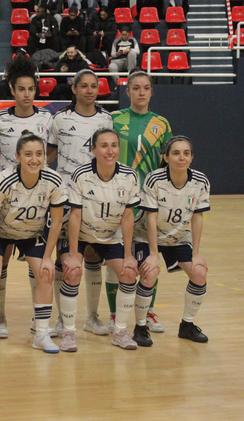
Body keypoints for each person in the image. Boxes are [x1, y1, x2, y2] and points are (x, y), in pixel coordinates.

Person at [0, 131, 66, 355]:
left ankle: (41, 334)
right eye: (28, 154)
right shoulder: (4, 180)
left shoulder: (53, 180)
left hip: (31, 235)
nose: (34, 159)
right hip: (0, 233)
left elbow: (56, 222)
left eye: (39, 154)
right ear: (17, 157)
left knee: (46, 273)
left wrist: (48, 257)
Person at [0, 56, 54, 337]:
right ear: (12, 90)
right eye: (21, 89)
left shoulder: (47, 119)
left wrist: (37, 166)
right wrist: (11, 167)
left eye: (31, 89)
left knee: (35, 258)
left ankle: (38, 322)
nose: (26, 94)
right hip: (6, 199)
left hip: (37, 199)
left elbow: (52, 150)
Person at [47, 69, 113, 340]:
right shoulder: (60, 118)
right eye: (83, 86)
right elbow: (49, 154)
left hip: (96, 198)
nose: (89, 90)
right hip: (66, 197)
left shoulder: (106, 118)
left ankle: (92, 316)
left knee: (93, 255)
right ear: (73, 89)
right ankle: (63, 319)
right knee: (64, 257)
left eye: (93, 86)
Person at [62, 129, 140, 352]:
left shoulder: (129, 176)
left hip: (110, 236)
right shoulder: (81, 175)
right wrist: (74, 253)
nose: (110, 150)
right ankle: (69, 332)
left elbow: (127, 216)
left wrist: (127, 254)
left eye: (114, 145)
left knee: (128, 272)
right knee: (73, 271)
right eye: (104, 146)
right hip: (83, 235)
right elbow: (75, 215)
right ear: (93, 149)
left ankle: (120, 331)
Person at [107, 69, 173, 332]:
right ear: (128, 91)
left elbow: (166, 164)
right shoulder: (113, 119)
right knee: (118, 260)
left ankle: (148, 313)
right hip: (118, 201)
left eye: (146, 88)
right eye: (136, 88)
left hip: (148, 202)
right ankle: (114, 314)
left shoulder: (162, 124)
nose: (141, 93)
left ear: (151, 92)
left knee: (147, 259)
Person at [133, 136, 210, 346]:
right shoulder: (154, 179)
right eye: (176, 153)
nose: (181, 157)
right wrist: (153, 253)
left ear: (192, 157)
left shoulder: (200, 181)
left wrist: (195, 254)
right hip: (146, 236)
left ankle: (187, 325)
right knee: (149, 273)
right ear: (166, 157)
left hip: (178, 238)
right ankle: (140, 327)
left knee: (200, 272)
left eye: (186, 153)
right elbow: (150, 218)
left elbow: (197, 217)